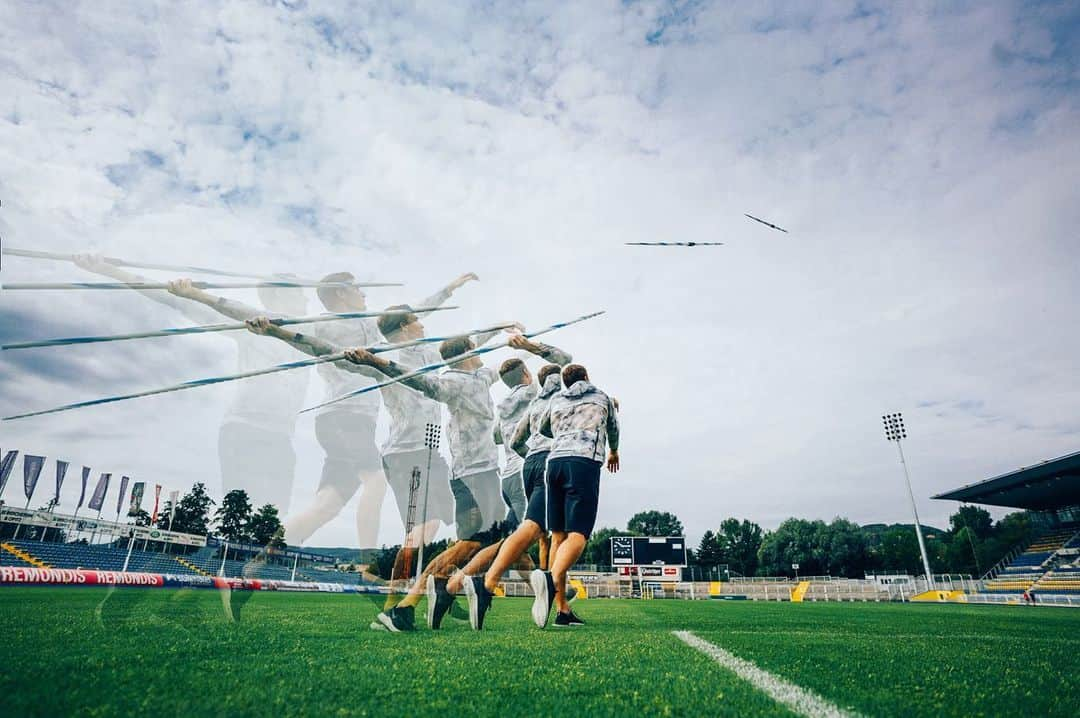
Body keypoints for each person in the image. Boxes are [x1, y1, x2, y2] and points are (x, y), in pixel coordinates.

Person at [344, 331, 569, 632]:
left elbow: (516, 364)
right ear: (466, 354)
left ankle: (545, 590)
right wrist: (374, 361)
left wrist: (519, 343)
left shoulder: (479, 378)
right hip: (474, 474)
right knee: (471, 545)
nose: (479, 352)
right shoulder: (454, 382)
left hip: (483, 473)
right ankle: (406, 606)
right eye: (474, 348)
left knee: (504, 542)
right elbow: (420, 381)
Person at [72, 255, 308, 515]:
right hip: (246, 430)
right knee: (241, 509)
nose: (307, 300)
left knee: (277, 514)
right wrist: (107, 268)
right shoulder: (250, 325)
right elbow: (173, 299)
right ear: (278, 296)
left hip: (282, 436)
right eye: (301, 294)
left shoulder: (311, 334)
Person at [459, 363, 564, 630]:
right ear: (527, 375)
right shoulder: (532, 393)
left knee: (524, 536)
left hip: (509, 476)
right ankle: (474, 583)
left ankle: (557, 595)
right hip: (525, 469)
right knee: (528, 531)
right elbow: (561, 365)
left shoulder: (504, 404)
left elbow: (496, 436)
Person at [530, 363, 619, 628]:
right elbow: (613, 427)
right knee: (578, 534)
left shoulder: (557, 400)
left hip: (554, 463)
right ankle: (550, 578)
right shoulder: (602, 396)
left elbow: (544, 429)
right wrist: (614, 451)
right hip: (582, 463)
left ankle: (562, 610)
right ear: (587, 377)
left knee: (557, 535)